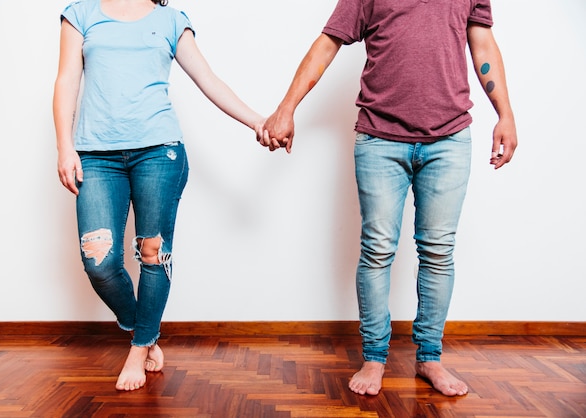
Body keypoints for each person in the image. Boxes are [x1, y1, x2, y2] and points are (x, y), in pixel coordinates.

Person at [260, 0, 517, 397]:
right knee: (378, 250)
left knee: (438, 251)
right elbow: (327, 44)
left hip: (449, 140)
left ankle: (430, 357)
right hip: (380, 139)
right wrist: (285, 108)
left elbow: (482, 44)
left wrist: (506, 114)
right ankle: (374, 357)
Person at [53, 0, 264, 391]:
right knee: (99, 262)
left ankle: (137, 349)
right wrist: (65, 146)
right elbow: (67, 79)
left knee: (153, 253)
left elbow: (209, 80)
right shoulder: (80, 13)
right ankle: (145, 330)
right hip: (96, 156)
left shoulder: (171, 19)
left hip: (160, 152)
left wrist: (257, 121)